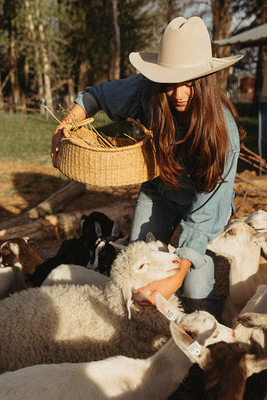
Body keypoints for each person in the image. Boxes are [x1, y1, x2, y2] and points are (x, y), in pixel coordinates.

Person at [51, 16, 245, 317]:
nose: (179, 94)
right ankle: (135, 336)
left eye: (189, 83)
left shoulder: (224, 136)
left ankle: (205, 348)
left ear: (205, 82)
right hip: (159, 192)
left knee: (195, 286)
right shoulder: (147, 90)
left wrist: (176, 277)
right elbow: (96, 96)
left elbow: (207, 215)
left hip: (203, 208)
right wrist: (66, 124)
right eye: (170, 83)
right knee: (136, 261)